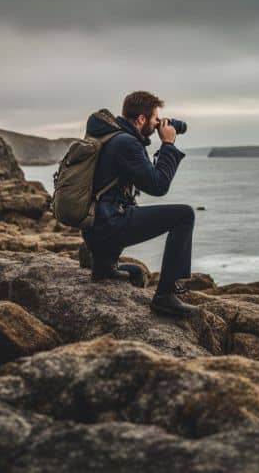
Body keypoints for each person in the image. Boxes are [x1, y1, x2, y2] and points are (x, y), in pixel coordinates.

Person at [81, 91, 199, 317]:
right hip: (107, 227)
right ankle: (165, 296)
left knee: (125, 206)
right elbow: (158, 186)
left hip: (93, 227)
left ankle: (104, 266)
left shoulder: (109, 136)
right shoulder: (126, 143)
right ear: (141, 119)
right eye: (156, 119)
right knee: (184, 215)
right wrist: (168, 145)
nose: (158, 125)